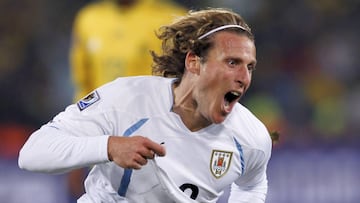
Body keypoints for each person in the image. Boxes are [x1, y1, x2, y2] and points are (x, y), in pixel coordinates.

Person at [18, 8, 272, 203]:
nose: (244, 77)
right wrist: (109, 146)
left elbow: (252, 185)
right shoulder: (127, 99)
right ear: (194, 62)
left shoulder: (251, 138)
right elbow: (33, 152)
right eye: (232, 63)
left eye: (250, 67)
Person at [68, 0, 186, 200]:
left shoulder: (174, 19)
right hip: (103, 147)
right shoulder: (88, 19)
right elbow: (83, 88)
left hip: (156, 146)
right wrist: (76, 151)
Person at [70, 0, 186, 101]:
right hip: (101, 117)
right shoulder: (89, 18)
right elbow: (82, 79)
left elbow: (181, 77)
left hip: (150, 115)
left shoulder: (172, 18)